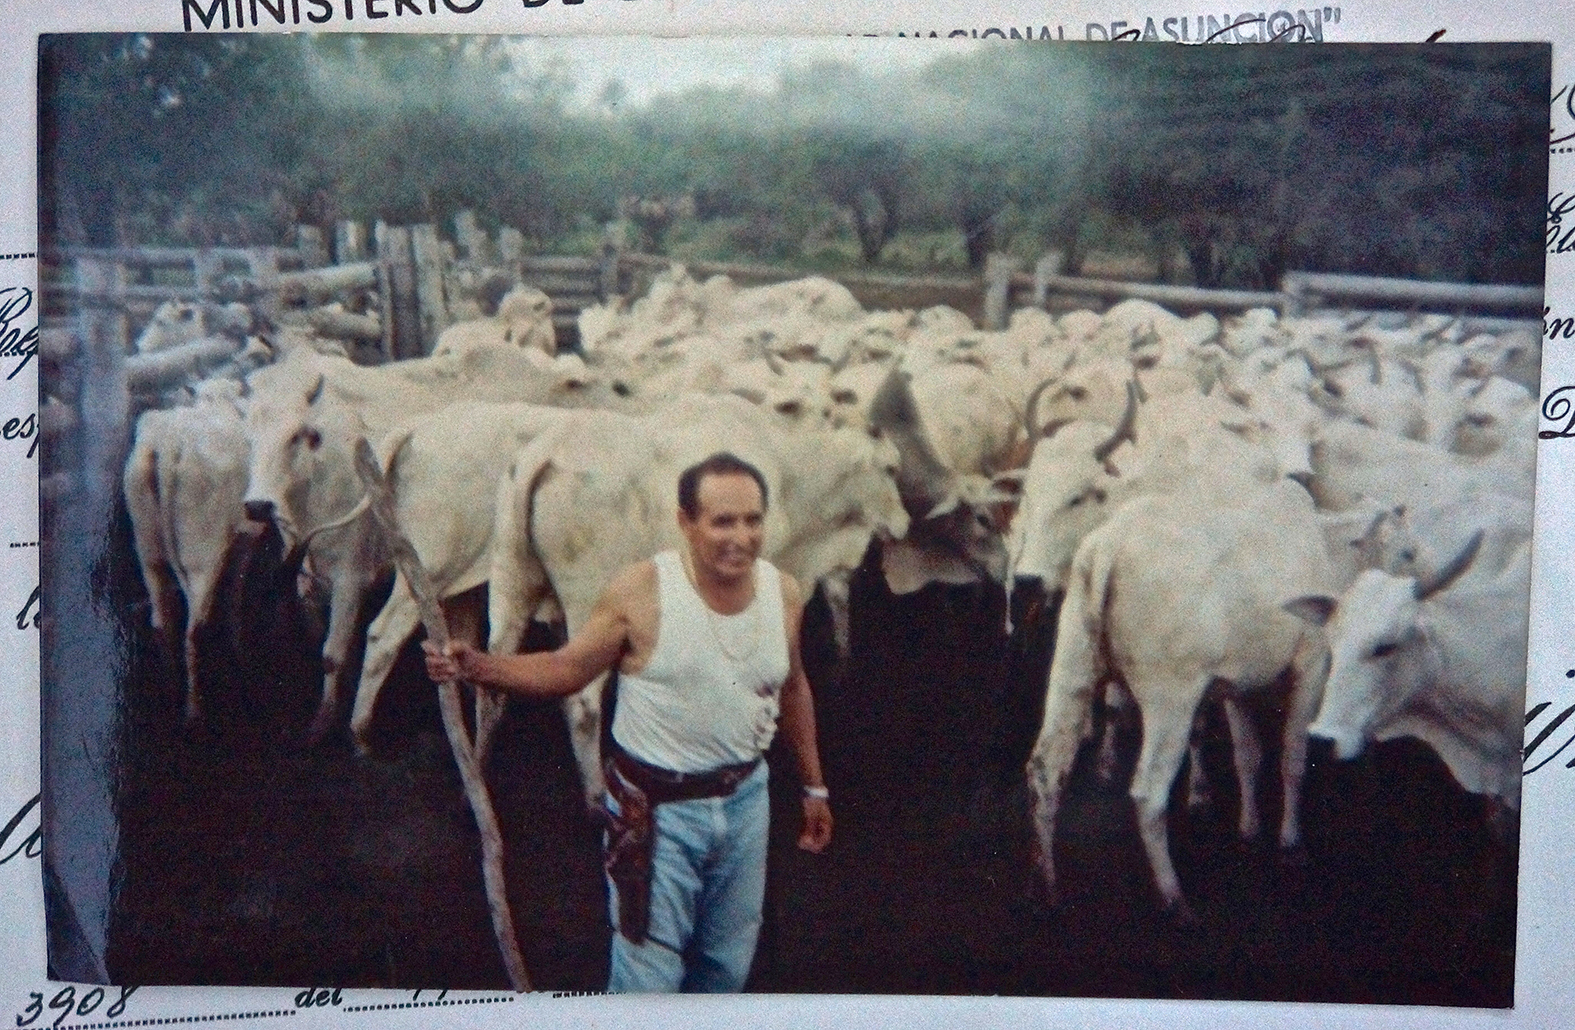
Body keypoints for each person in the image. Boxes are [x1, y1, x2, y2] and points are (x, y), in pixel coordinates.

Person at [423, 451, 833, 993]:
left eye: (753, 520)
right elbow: (567, 669)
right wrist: (477, 666)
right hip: (658, 813)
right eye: (722, 521)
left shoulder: (782, 592)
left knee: (726, 964)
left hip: (745, 804)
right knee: (648, 975)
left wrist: (814, 786)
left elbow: (792, 684)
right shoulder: (643, 592)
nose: (741, 536)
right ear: (686, 522)